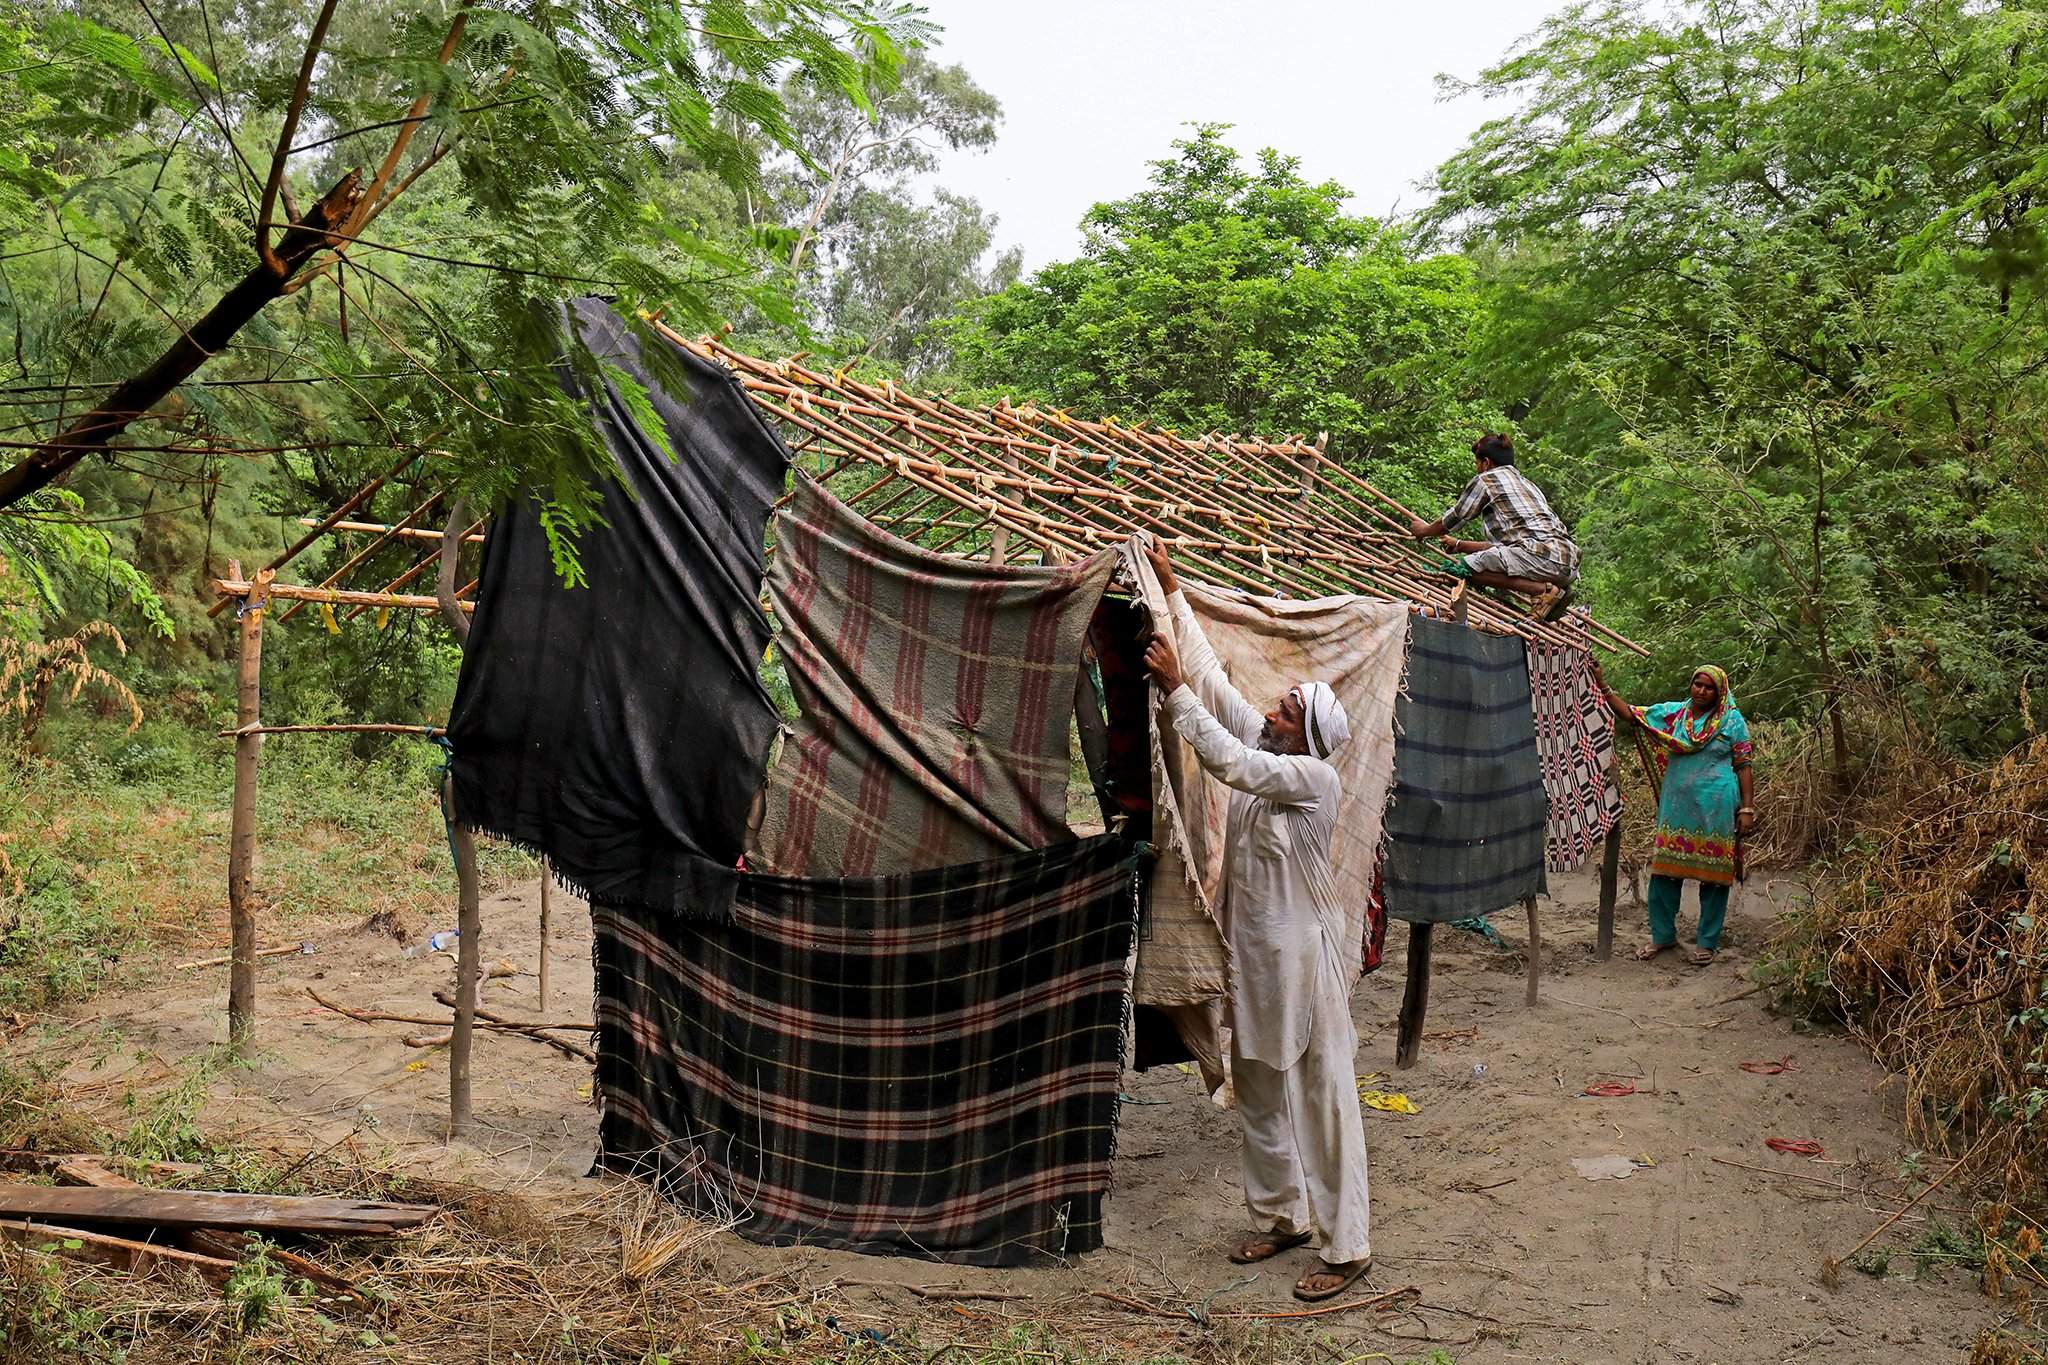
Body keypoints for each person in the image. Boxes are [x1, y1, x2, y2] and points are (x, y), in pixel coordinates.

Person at [1137, 535, 1373, 1303]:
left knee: (1323, 1097)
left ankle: (1347, 1246)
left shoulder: (1306, 779)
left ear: (1305, 734)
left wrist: (1174, 697)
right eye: (1275, 706)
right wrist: (1174, 595)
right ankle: (1283, 1218)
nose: (1269, 711)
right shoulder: (1268, 744)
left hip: (1305, 969)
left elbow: (1231, 759)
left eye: (1285, 709)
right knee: (1260, 1088)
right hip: (1258, 963)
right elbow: (1213, 682)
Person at [1591, 661, 1755, 966]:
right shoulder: (1674, 714)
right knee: (1665, 873)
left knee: (1714, 877)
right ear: (1690, 685)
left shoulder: (1732, 721)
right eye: (1698, 685)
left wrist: (1747, 808)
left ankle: (1707, 941)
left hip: (1716, 808)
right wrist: (1603, 684)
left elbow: (1744, 765)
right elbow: (1632, 715)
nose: (1702, 692)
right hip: (1677, 808)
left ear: (1720, 692)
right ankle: (1663, 936)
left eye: (1709, 688)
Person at [1406, 433, 1578, 621]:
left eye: (1477, 463)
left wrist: (1424, 530)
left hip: (1540, 557)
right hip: (1566, 562)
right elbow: (1509, 550)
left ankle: (1542, 591)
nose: (1477, 468)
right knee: (1483, 559)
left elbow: (1454, 518)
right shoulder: (1528, 485)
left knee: (1466, 569)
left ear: (1486, 462)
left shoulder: (1487, 479)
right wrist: (1459, 545)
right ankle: (1555, 590)